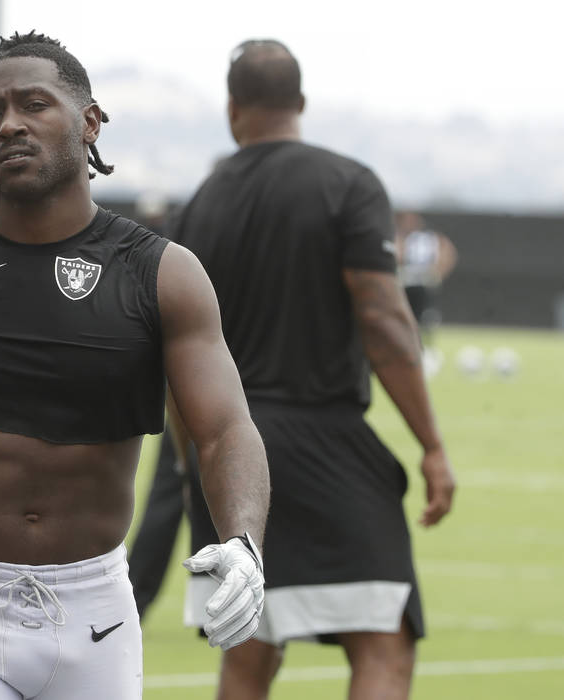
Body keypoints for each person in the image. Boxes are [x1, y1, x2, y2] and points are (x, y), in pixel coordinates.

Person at [0, 31, 270, 700]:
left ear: (89, 122)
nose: (9, 124)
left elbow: (225, 429)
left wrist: (243, 541)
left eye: (34, 104)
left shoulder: (162, 274)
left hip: (94, 608)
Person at [172, 39, 457, 699]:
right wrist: (432, 446)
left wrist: (195, 471)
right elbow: (386, 324)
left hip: (228, 454)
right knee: (384, 639)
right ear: (300, 104)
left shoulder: (198, 206)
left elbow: (175, 359)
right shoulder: (348, 184)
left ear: (232, 108)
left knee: (247, 651)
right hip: (326, 444)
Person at [394, 210, 457, 374]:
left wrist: (437, 273)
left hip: (421, 284)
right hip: (407, 283)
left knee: (424, 319)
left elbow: (448, 252)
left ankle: (425, 352)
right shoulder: (403, 237)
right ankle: (407, 350)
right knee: (407, 318)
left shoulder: (429, 237)